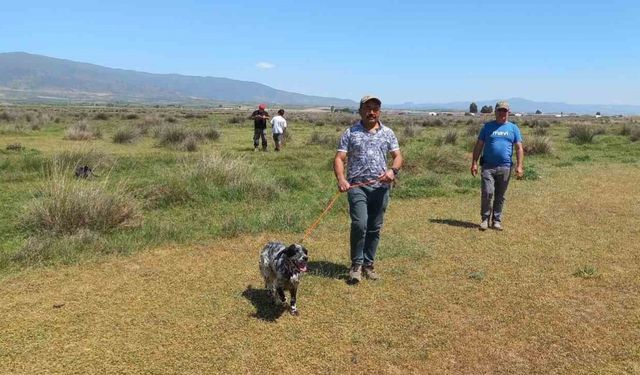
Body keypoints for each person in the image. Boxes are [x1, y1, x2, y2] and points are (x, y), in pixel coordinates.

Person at [334, 95, 403, 283]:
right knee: (360, 224)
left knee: (374, 227)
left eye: (375, 108)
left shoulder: (388, 133)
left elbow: (397, 156)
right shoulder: (350, 132)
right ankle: (356, 265)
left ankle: (368, 265)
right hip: (357, 187)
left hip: (381, 188)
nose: (371, 112)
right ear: (360, 111)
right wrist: (341, 179)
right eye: (367, 108)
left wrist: (393, 171)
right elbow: (339, 158)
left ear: (379, 112)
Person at [470, 100, 524, 231]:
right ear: (495, 112)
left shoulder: (513, 128)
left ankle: (496, 220)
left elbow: (519, 148)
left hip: (505, 167)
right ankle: (484, 219)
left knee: (500, 195)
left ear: (508, 112)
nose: (502, 113)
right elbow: (479, 146)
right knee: (487, 192)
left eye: (505, 111)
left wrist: (519, 166)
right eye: (500, 110)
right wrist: (474, 163)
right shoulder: (487, 127)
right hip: (488, 166)